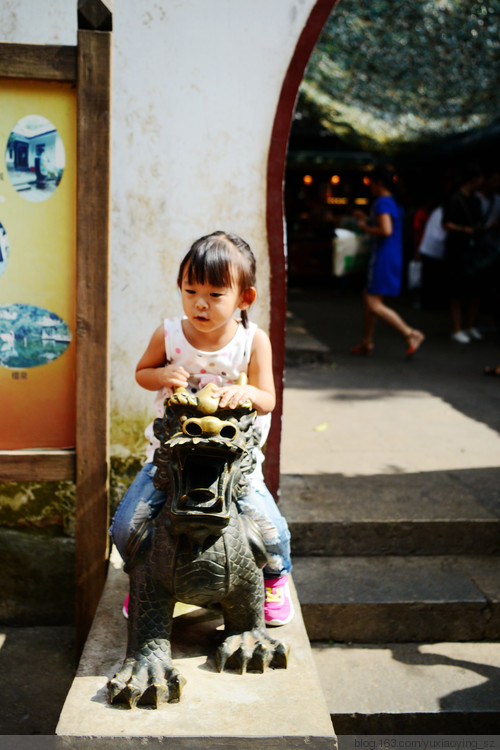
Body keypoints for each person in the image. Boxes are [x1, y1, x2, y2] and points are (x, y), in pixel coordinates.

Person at [110, 230, 293, 626]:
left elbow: (267, 398)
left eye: (214, 294)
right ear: (180, 287)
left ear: (245, 298)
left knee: (270, 528)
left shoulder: (251, 341)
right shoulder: (170, 334)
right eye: (191, 291)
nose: (200, 303)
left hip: (233, 464)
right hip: (168, 461)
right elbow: (142, 373)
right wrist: (161, 374)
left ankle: (275, 580)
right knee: (126, 526)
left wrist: (243, 397)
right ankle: (142, 580)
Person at [350, 166, 424, 357]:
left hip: (384, 256)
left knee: (373, 302)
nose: (370, 187)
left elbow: (386, 230)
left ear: (378, 183)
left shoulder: (382, 202)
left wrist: (364, 227)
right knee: (370, 297)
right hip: (392, 255)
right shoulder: (391, 202)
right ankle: (366, 342)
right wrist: (366, 219)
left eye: (371, 183)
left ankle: (410, 333)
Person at [442, 163, 484, 344]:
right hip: (457, 250)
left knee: (475, 290)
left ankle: (470, 326)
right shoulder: (454, 199)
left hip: (473, 250)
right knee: (457, 291)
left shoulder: (476, 200)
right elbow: (446, 223)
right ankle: (457, 328)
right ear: (473, 179)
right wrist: (463, 229)